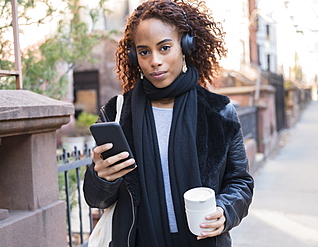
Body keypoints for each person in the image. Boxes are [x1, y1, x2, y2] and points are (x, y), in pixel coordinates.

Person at [83, 0, 254, 246]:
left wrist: (224, 211)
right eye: (144, 52)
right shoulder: (116, 113)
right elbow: (97, 200)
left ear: (185, 46)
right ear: (134, 56)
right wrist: (102, 178)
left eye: (164, 48)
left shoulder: (218, 112)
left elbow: (240, 182)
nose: (154, 61)